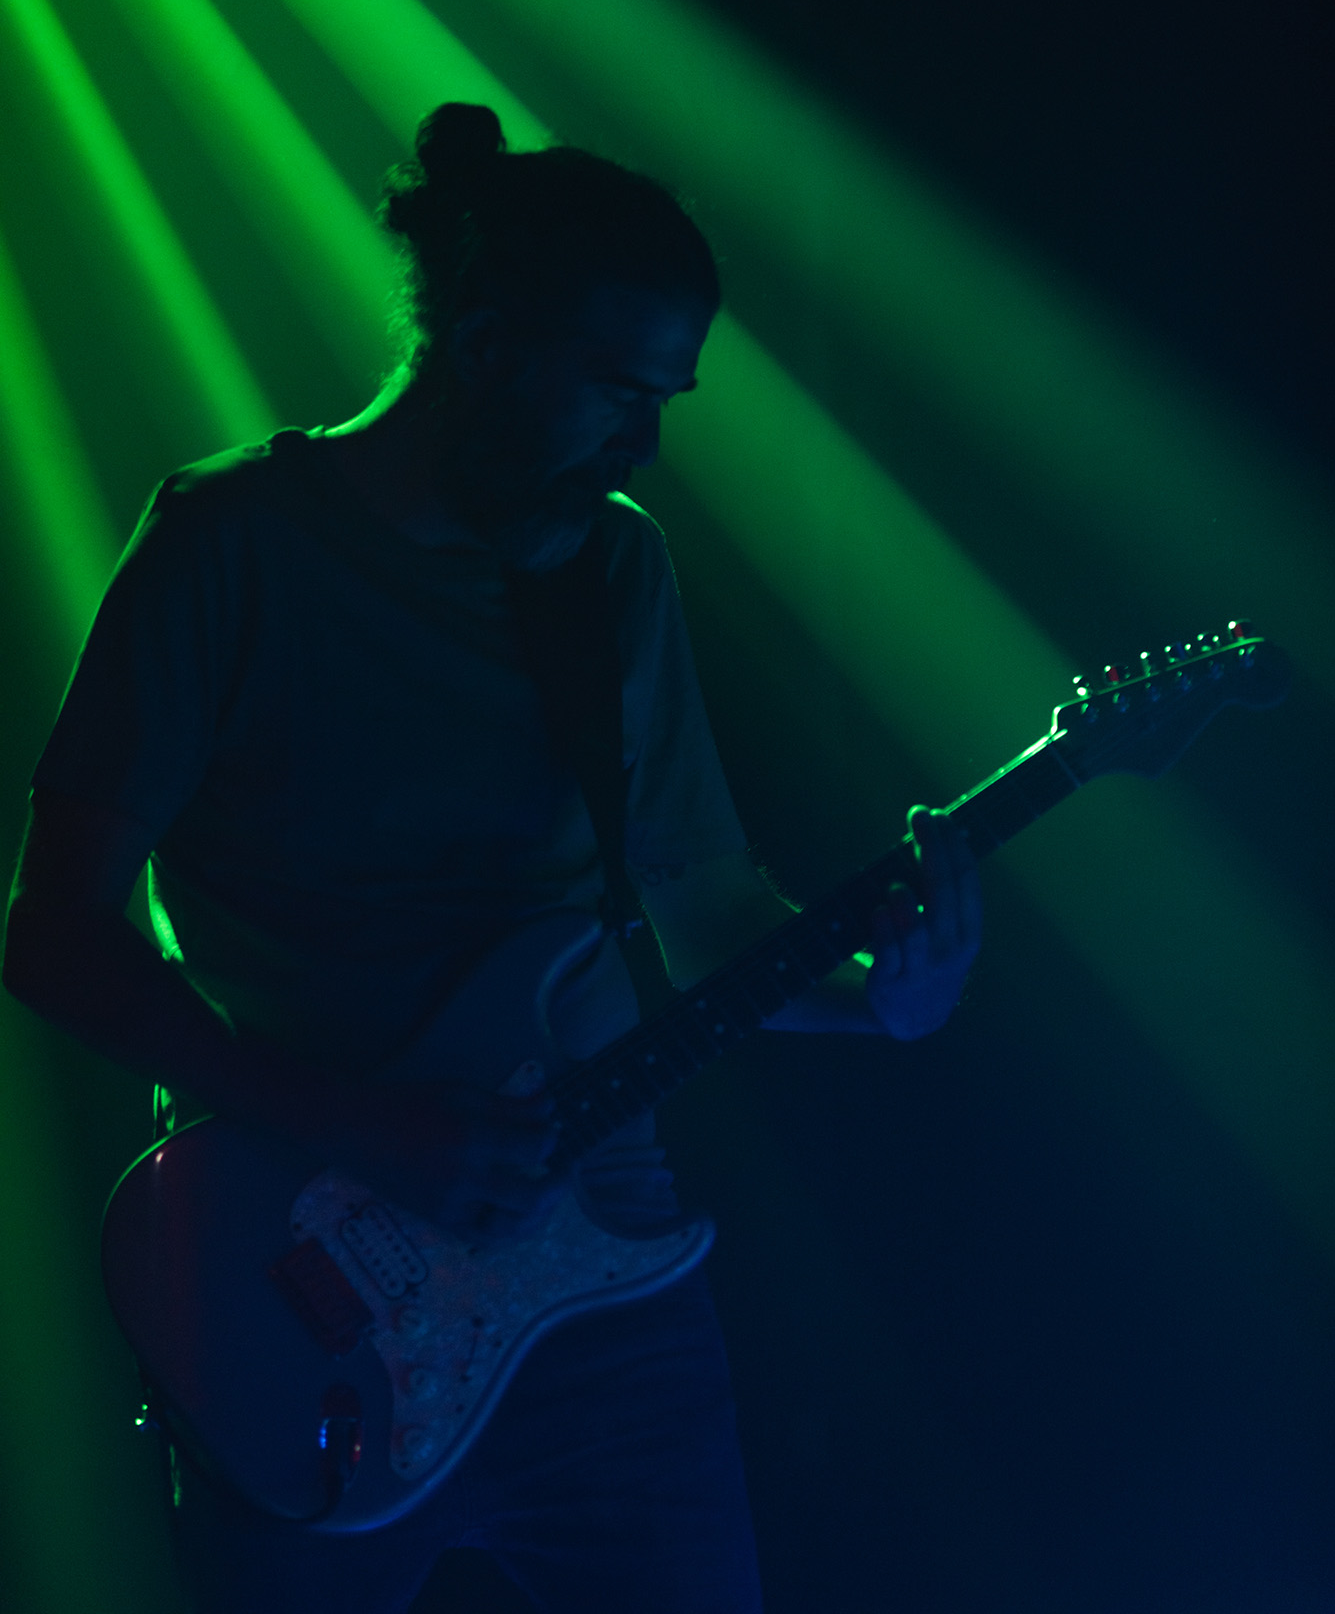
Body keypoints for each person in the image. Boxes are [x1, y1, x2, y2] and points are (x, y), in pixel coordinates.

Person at [2, 104, 981, 1613]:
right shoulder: (229, 548)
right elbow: (57, 936)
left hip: (612, 1282)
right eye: (615, 389)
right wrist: (354, 1125)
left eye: (668, 398)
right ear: (485, 351)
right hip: (299, 1287)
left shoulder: (617, 567)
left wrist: (884, 1000)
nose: (646, 440)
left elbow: (707, 903)